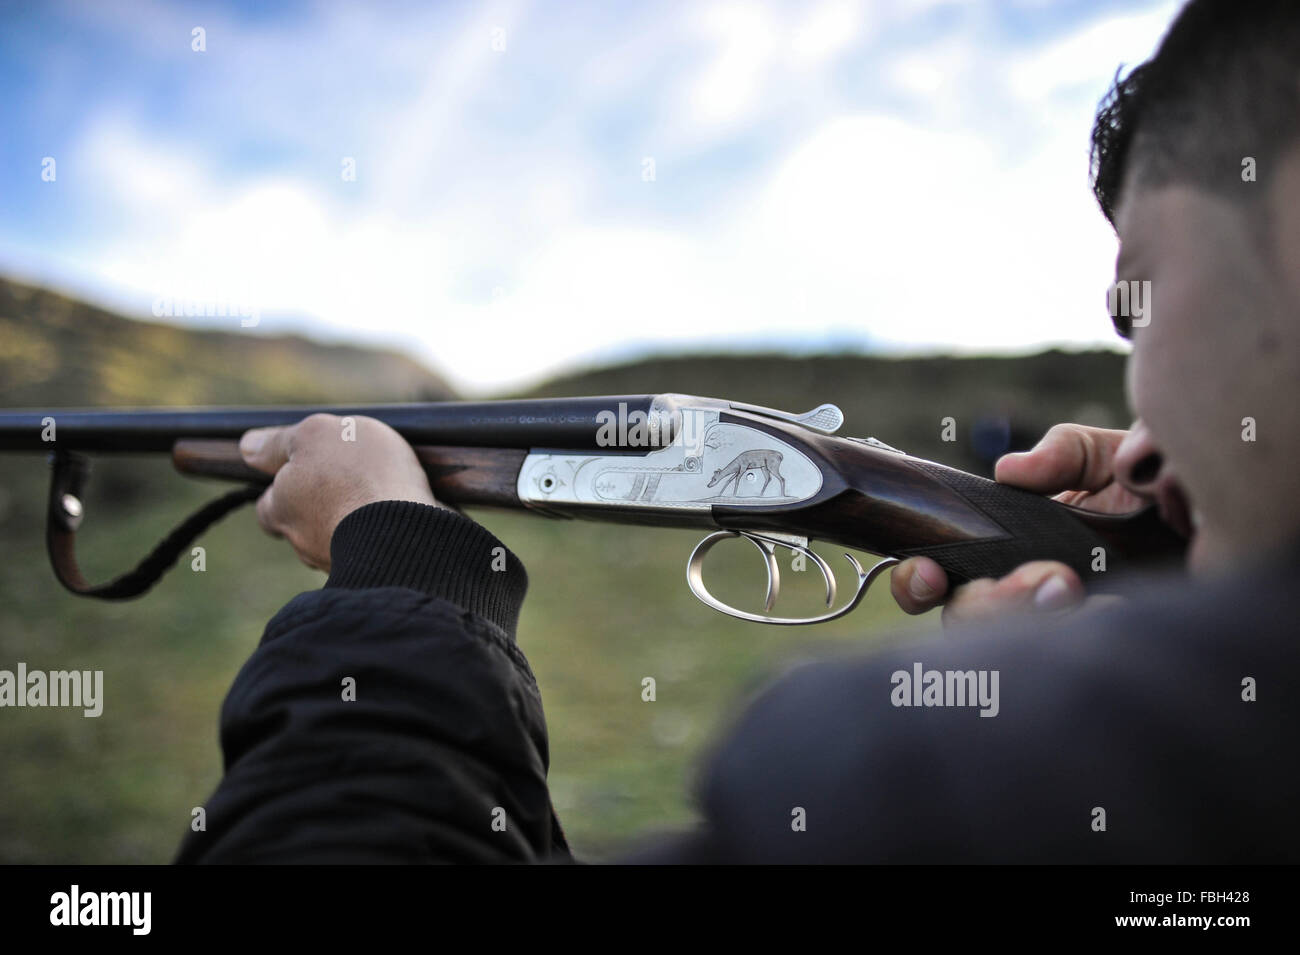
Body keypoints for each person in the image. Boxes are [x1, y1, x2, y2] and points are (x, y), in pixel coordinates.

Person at [176, 0, 1299, 864]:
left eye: (1139, 301)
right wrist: (1189, 563)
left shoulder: (917, 777)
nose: (1136, 443)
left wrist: (392, 565)